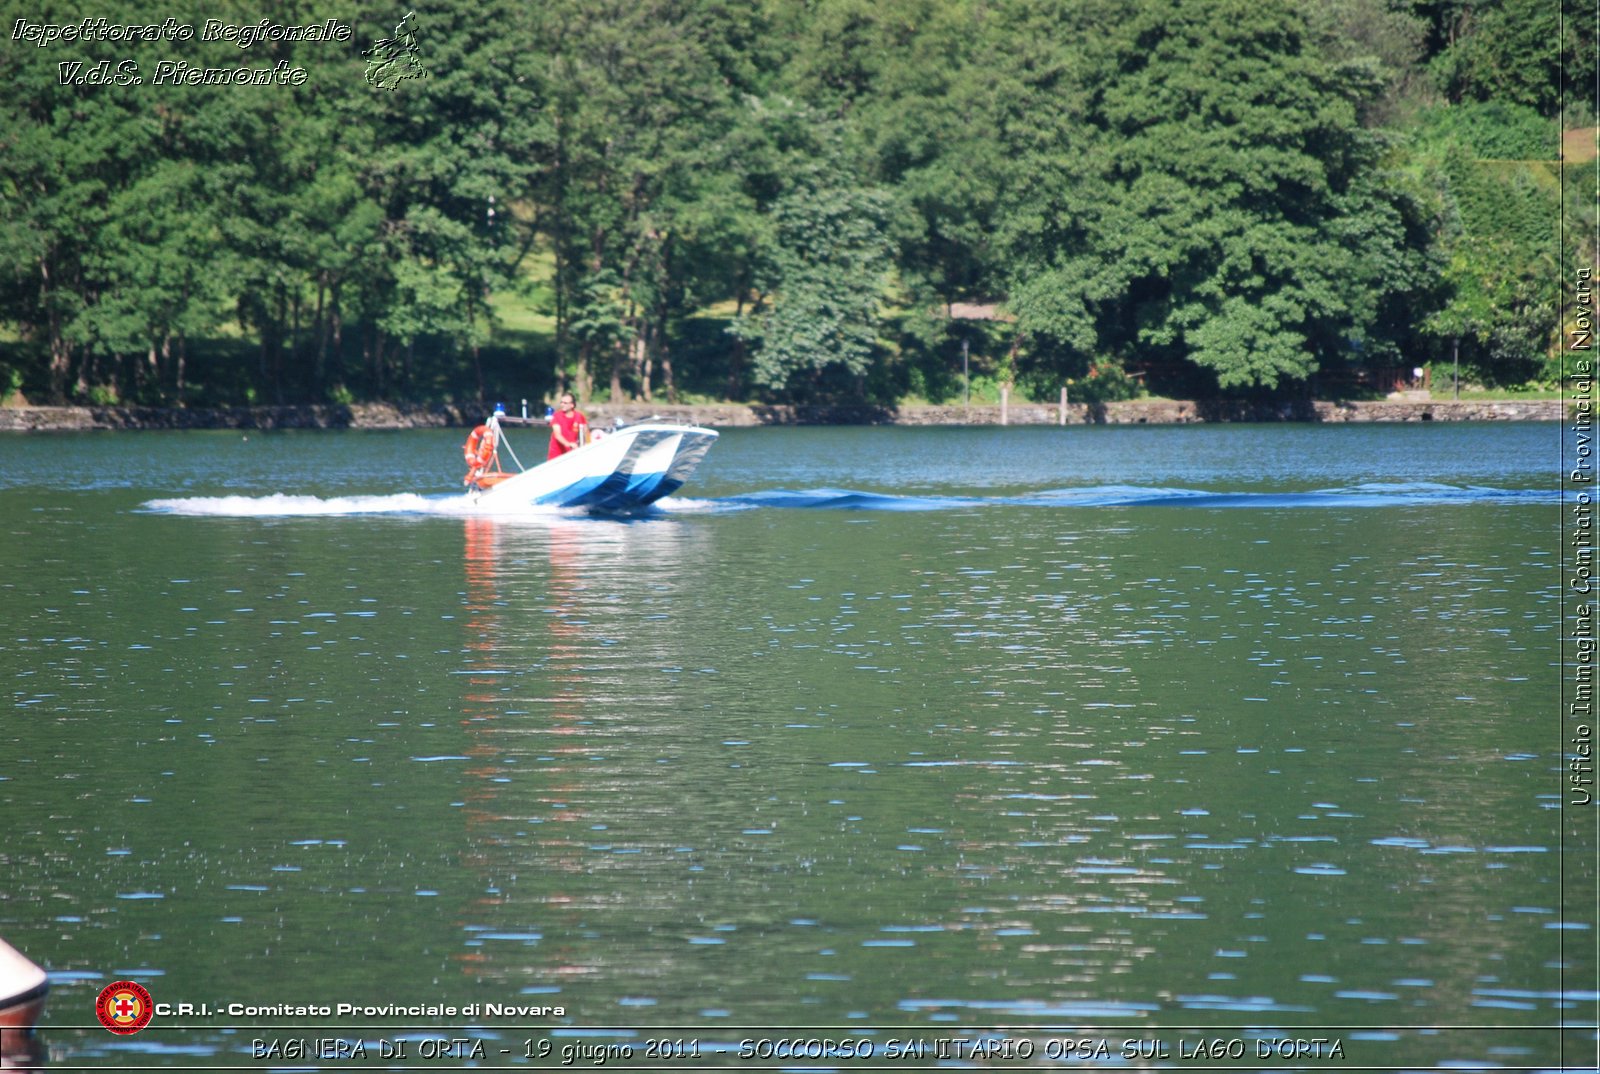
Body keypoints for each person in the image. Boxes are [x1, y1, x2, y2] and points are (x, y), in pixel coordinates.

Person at [547, 392, 587, 459]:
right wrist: (568, 444)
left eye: (565, 403)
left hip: (572, 453)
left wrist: (584, 445)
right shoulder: (557, 416)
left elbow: (585, 432)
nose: (562, 405)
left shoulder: (579, 416)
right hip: (557, 454)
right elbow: (557, 435)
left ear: (572, 405)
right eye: (561, 402)